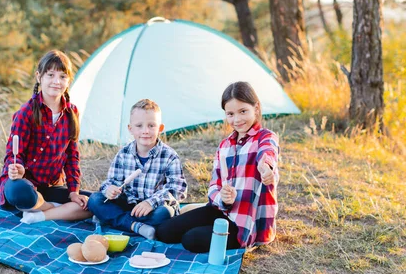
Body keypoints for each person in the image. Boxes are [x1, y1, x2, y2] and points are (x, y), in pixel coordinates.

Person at [156, 81, 279, 252]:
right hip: (222, 211)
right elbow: (215, 184)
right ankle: (199, 211)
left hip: (245, 222)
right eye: (230, 114)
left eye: (243, 111)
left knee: (191, 240)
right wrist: (223, 198)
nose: (237, 119)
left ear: (256, 108)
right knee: (164, 231)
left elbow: (267, 153)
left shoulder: (265, 137)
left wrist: (266, 168)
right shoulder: (225, 145)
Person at [0, 50, 92, 224]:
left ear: (69, 81)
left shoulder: (72, 112)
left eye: (63, 76)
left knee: (94, 203)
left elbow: (72, 157)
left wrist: (73, 192)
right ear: (39, 77)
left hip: (51, 185)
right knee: (19, 191)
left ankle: (40, 213)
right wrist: (16, 169)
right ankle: (53, 208)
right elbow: (13, 154)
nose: (57, 81)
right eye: (50, 75)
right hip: (25, 183)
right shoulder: (26, 112)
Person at [86, 99, 187, 240]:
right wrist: (110, 189)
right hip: (128, 204)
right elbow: (110, 182)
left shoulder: (169, 156)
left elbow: (177, 189)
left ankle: (114, 219)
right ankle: (135, 226)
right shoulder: (123, 154)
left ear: (160, 128)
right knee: (95, 200)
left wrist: (151, 202)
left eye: (151, 125)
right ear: (130, 129)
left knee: (164, 213)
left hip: (153, 208)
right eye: (139, 126)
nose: (145, 131)